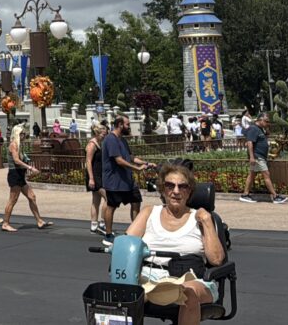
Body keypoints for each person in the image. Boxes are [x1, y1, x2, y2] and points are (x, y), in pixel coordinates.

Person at [125, 163, 226, 325]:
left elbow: (216, 260)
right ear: (162, 189)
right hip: (149, 279)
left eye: (182, 186)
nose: (176, 191)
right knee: (123, 294)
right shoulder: (149, 213)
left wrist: (207, 221)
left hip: (191, 279)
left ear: (190, 191)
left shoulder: (200, 218)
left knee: (188, 293)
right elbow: (126, 246)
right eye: (170, 185)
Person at [102, 115, 153, 242]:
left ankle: (135, 231)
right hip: (114, 181)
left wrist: (145, 163)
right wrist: (136, 168)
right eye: (127, 124)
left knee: (136, 201)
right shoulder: (110, 139)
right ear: (120, 125)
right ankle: (108, 234)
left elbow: (130, 157)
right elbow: (119, 160)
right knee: (111, 206)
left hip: (127, 181)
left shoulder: (123, 140)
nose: (129, 127)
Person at [1, 124, 52, 232]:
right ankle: (5, 223)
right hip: (14, 174)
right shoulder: (13, 145)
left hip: (20, 175)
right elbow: (16, 160)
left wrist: (29, 167)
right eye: (22, 133)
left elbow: (23, 160)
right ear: (17, 134)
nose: (24, 135)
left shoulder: (20, 146)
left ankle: (39, 221)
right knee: (13, 200)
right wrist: (30, 167)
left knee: (32, 196)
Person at [239, 113, 288, 204]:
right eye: (266, 121)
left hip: (260, 156)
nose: (267, 123)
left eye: (268, 122)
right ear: (260, 120)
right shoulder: (253, 129)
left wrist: (266, 128)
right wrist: (252, 157)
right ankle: (275, 196)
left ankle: (245, 195)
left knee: (252, 175)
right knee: (266, 174)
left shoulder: (260, 129)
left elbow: (265, 137)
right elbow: (250, 143)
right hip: (257, 156)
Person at [86, 123, 107, 234]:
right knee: (108, 198)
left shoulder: (100, 143)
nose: (104, 136)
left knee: (96, 200)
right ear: (98, 133)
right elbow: (88, 161)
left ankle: (94, 224)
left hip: (100, 174)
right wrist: (91, 178)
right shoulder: (92, 144)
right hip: (94, 175)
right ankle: (103, 223)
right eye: (103, 134)